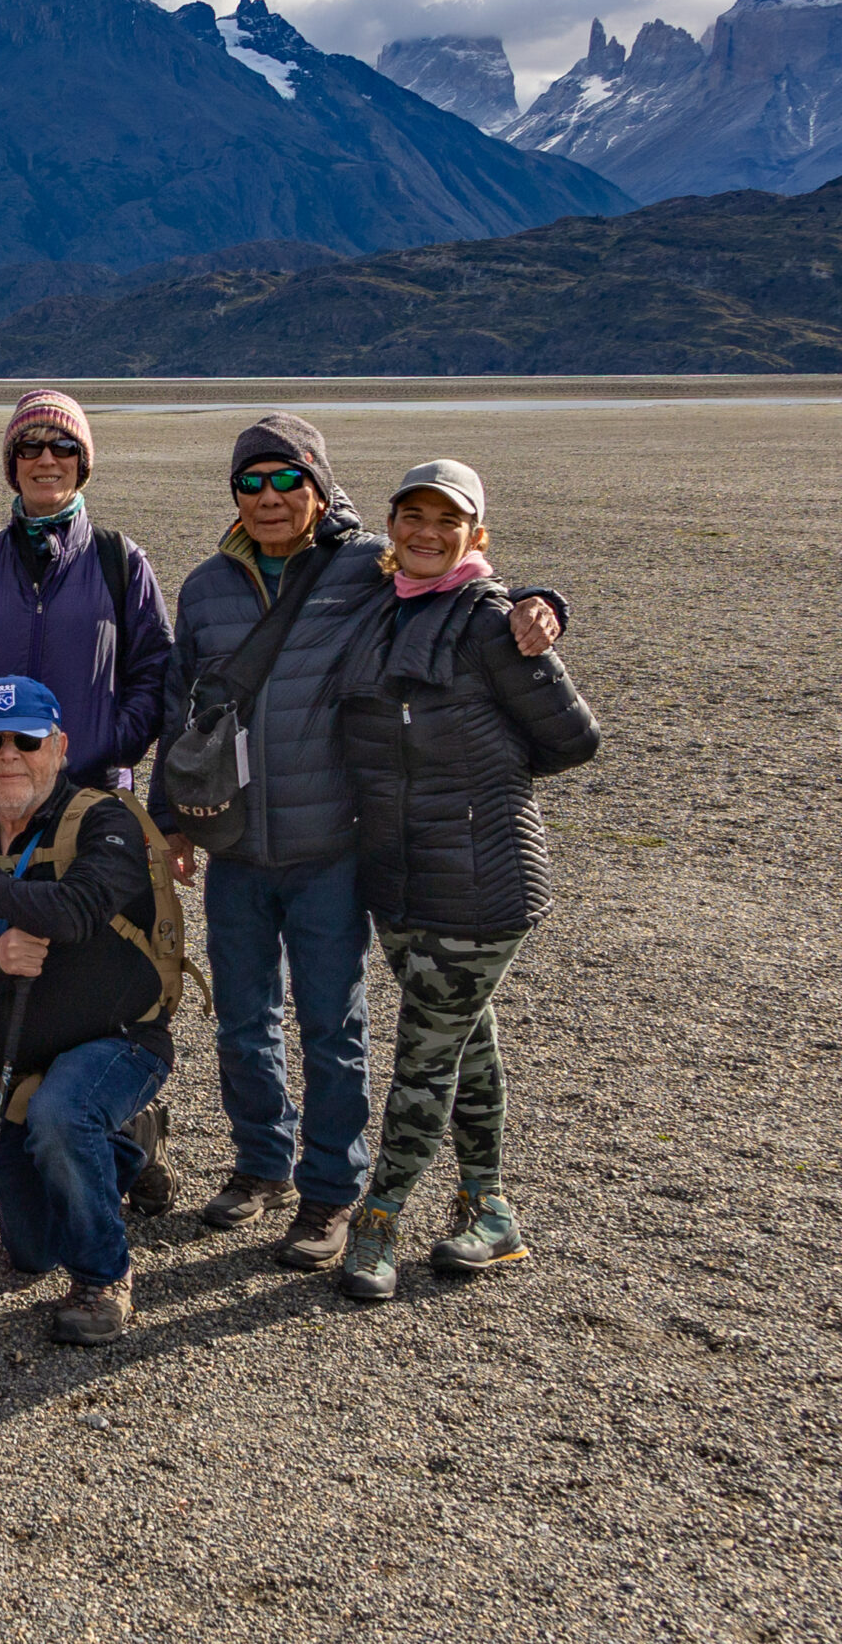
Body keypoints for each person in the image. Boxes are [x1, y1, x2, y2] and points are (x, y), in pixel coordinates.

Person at [151, 414, 563, 1271]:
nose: (269, 498)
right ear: (234, 493)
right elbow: (179, 705)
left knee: (332, 1022)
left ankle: (330, 1190)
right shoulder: (205, 588)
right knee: (241, 1018)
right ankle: (261, 1164)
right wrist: (172, 820)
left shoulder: (367, 566)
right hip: (233, 843)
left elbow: (448, 576)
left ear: (318, 485)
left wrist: (543, 603)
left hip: (330, 843)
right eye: (252, 482)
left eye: (286, 480)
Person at [333, 461, 598, 1301]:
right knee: (461, 1041)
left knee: (423, 1052)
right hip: (400, 877)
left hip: (483, 882)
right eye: (412, 515)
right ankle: (489, 1208)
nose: (425, 532)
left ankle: (380, 1217)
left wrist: (486, 785)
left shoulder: (492, 622)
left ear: (475, 535)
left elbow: (571, 739)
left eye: (447, 521)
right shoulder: (384, 606)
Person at [0, 676, 177, 1345]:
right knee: (30, 1250)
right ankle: (130, 1142)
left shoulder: (107, 819)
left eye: (28, 739)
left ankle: (106, 1277)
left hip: (122, 1041)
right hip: (22, 1070)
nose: (9, 753)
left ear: (60, 745)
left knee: (62, 1114)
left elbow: (73, 913)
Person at [0, 389, 173, 816]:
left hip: (90, 796)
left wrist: (110, 742)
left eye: (63, 446)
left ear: (80, 462)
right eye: (29, 447)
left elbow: (154, 670)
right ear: (14, 465)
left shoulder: (119, 560)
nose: (46, 460)